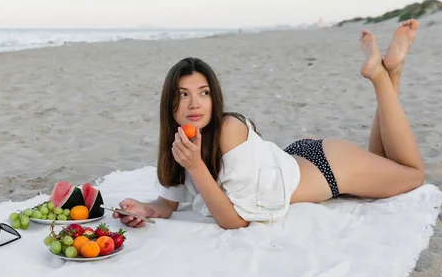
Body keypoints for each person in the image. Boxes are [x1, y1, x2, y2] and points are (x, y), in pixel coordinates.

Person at [113, 20, 425, 230]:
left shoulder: (227, 130)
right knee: (383, 161)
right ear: (171, 104)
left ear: (214, 97)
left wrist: (196, 166)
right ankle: (391, 71)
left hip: (331, 170)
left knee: (411, 173)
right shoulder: (181, 141)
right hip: (298, 159)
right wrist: (146, 209)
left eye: (204, 93)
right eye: (184, 95)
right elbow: (168, 201)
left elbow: (234, 222)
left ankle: (381, 76)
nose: (195, 104)